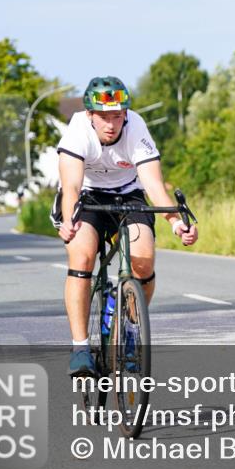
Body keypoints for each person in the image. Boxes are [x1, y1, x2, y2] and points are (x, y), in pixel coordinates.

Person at [51, 76, 198, 377]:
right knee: (82, 256)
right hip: (87, 197)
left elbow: (154, 185)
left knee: (143, 262)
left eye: (117, 116)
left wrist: (175, 223)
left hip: (128, 195)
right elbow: (72, 186)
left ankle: (127, 329)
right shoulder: (78, 130)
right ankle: (80, 347)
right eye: (103, 117)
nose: (111, 124)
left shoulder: (137, 127)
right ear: (90, 115)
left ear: (125, 114)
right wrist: (68, 221)